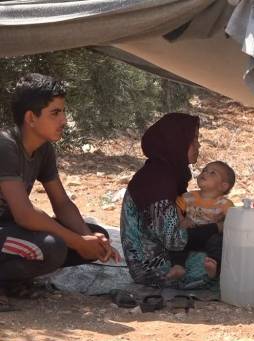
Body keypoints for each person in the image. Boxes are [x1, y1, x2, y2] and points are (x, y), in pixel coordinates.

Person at [0, 73, 119, 311]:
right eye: (55, 113)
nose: (64, 120)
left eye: (63, 112)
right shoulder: (5, 146)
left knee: (94, 234)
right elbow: (24, 214)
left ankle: (11, 282)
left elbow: (62, 204)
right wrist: (77, 240)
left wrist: (88, 239)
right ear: (31, 118)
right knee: (52, 246)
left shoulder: (44, 150)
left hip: (7, 229)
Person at [120, 112, 223, 287]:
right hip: (151, 266)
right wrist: (214, 228)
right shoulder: (158, 181)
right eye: (194, 139)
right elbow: (174, 239)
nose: (198, 145)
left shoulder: (168, 173)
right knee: (228, 264)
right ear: (177, 142)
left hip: (165, 253)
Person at [167, 160, 235, 280]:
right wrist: (182, 220)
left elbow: (234, 220)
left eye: (212, 173)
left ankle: (214, 267)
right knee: (177, 239)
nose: (205, 173)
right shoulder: (189, 197)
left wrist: (224, 222)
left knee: (219, 243)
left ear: (223, 186)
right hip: (191, 233)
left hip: (209, 237)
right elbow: (176, 207)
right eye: (204, 170)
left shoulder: (225, 204)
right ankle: (178, 266)